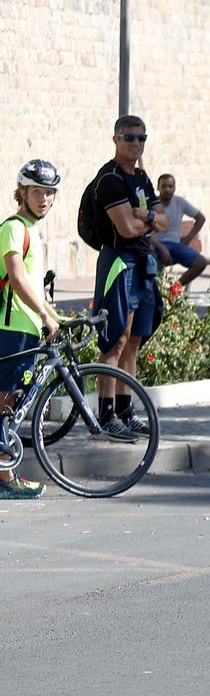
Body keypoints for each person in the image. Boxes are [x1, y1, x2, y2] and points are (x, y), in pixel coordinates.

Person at [80, 115, 163, 438]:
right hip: (119, 262)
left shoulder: (141, 177)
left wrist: (146, 215)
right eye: (129, 137)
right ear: (115, 139)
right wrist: (148, 220)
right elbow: (126, 229)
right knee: (115, 338)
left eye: (142, 137)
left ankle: (127, 411)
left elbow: (166, 223)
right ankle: (106, 414)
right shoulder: (110, 179)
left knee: (135, 340)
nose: (136, 143)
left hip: (143, 262)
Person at [0, 161, 65, 498]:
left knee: (10, 403)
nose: (44, 198)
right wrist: (45, 315)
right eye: (37, 191)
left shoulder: (31, 231)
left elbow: (35, 288)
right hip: (11, 327)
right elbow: (17, 277)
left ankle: (4, 473)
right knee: (4, 402)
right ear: (22, 192)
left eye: (49, 193)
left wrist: (58, 318)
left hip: (26, 327)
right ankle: (4, 478)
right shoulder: (14, 228)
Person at [152, 173, 210, 288]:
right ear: (158, 188)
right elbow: (145, 232)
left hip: (175, 245)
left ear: (174, 187)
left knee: (201, 262)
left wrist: (189, 237)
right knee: (148, 262)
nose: (167, 189)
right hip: (155, 245)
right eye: (164, 186)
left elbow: (201, 218)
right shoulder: (151, 203)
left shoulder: (179, 202)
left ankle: (174, 290)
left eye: (170, 186)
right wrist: (162, 249)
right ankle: (155, 294)